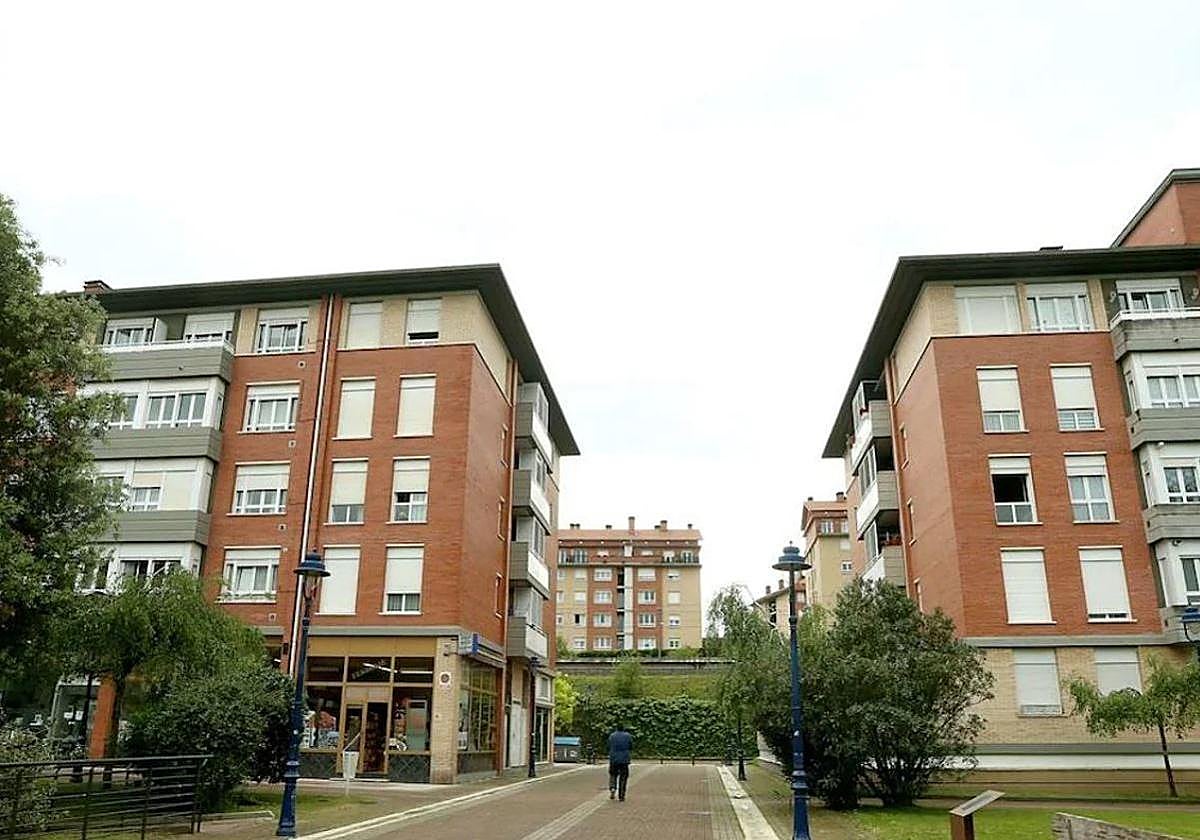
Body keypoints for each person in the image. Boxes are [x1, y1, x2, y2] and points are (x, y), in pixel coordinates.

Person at [607, 723, 633, 801]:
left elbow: (608, 746)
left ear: (616, 728)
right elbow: (631, 746)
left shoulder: (612, 736)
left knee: (613, 774)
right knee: (623, 777)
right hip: (624, 759)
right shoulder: (628, 736)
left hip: (614, 758)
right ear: (623, 728)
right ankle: (621, 795)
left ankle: (612, 787)